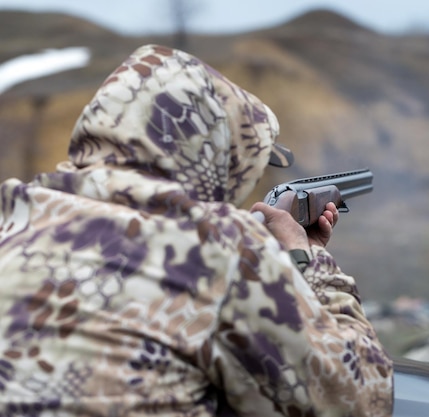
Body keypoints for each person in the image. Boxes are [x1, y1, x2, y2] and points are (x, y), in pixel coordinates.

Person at [0, 44, 393, 416]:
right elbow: (362, 400)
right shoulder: (220, 247)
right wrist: (311, 260)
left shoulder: (15, 213)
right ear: (207, 151)